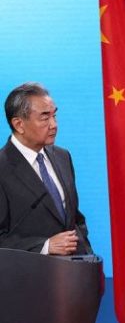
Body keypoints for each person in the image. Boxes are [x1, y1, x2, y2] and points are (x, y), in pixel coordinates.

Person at [0, 82, 92, 255]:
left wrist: (86, 253)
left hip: (73, 268)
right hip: (27, 270)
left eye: (54, 116)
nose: (54, 124)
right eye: (44, 118)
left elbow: (75, 219)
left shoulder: (63, 157)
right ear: (19, 124)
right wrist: (45, 246)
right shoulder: (3, 167)